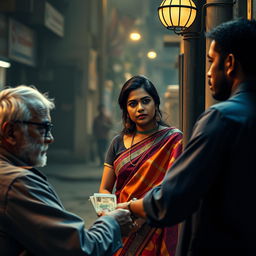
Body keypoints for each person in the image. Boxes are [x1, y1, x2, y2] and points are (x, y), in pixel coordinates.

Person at [118, 19, 256, 256]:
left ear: (230, 64)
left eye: (212, 62)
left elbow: (172, 199)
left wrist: (130, 207)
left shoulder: (222, 119)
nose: (209, 72)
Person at [0, 85, 134, 255]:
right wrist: (112, 222)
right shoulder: (15, 183)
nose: (50, 139)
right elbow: (79, 249)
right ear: (10, 132)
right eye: (43, 129)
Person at [99, 75, 183, 255]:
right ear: (126, 109)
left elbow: (169, 188)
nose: (140, 108)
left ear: (156, 103)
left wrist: (141, 216)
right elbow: (105, 189)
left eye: (146, 101)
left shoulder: (173, 140)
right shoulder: (117, 143)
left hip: (154, 226)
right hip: (120, 225)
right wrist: (109, 215)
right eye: (133, 104)